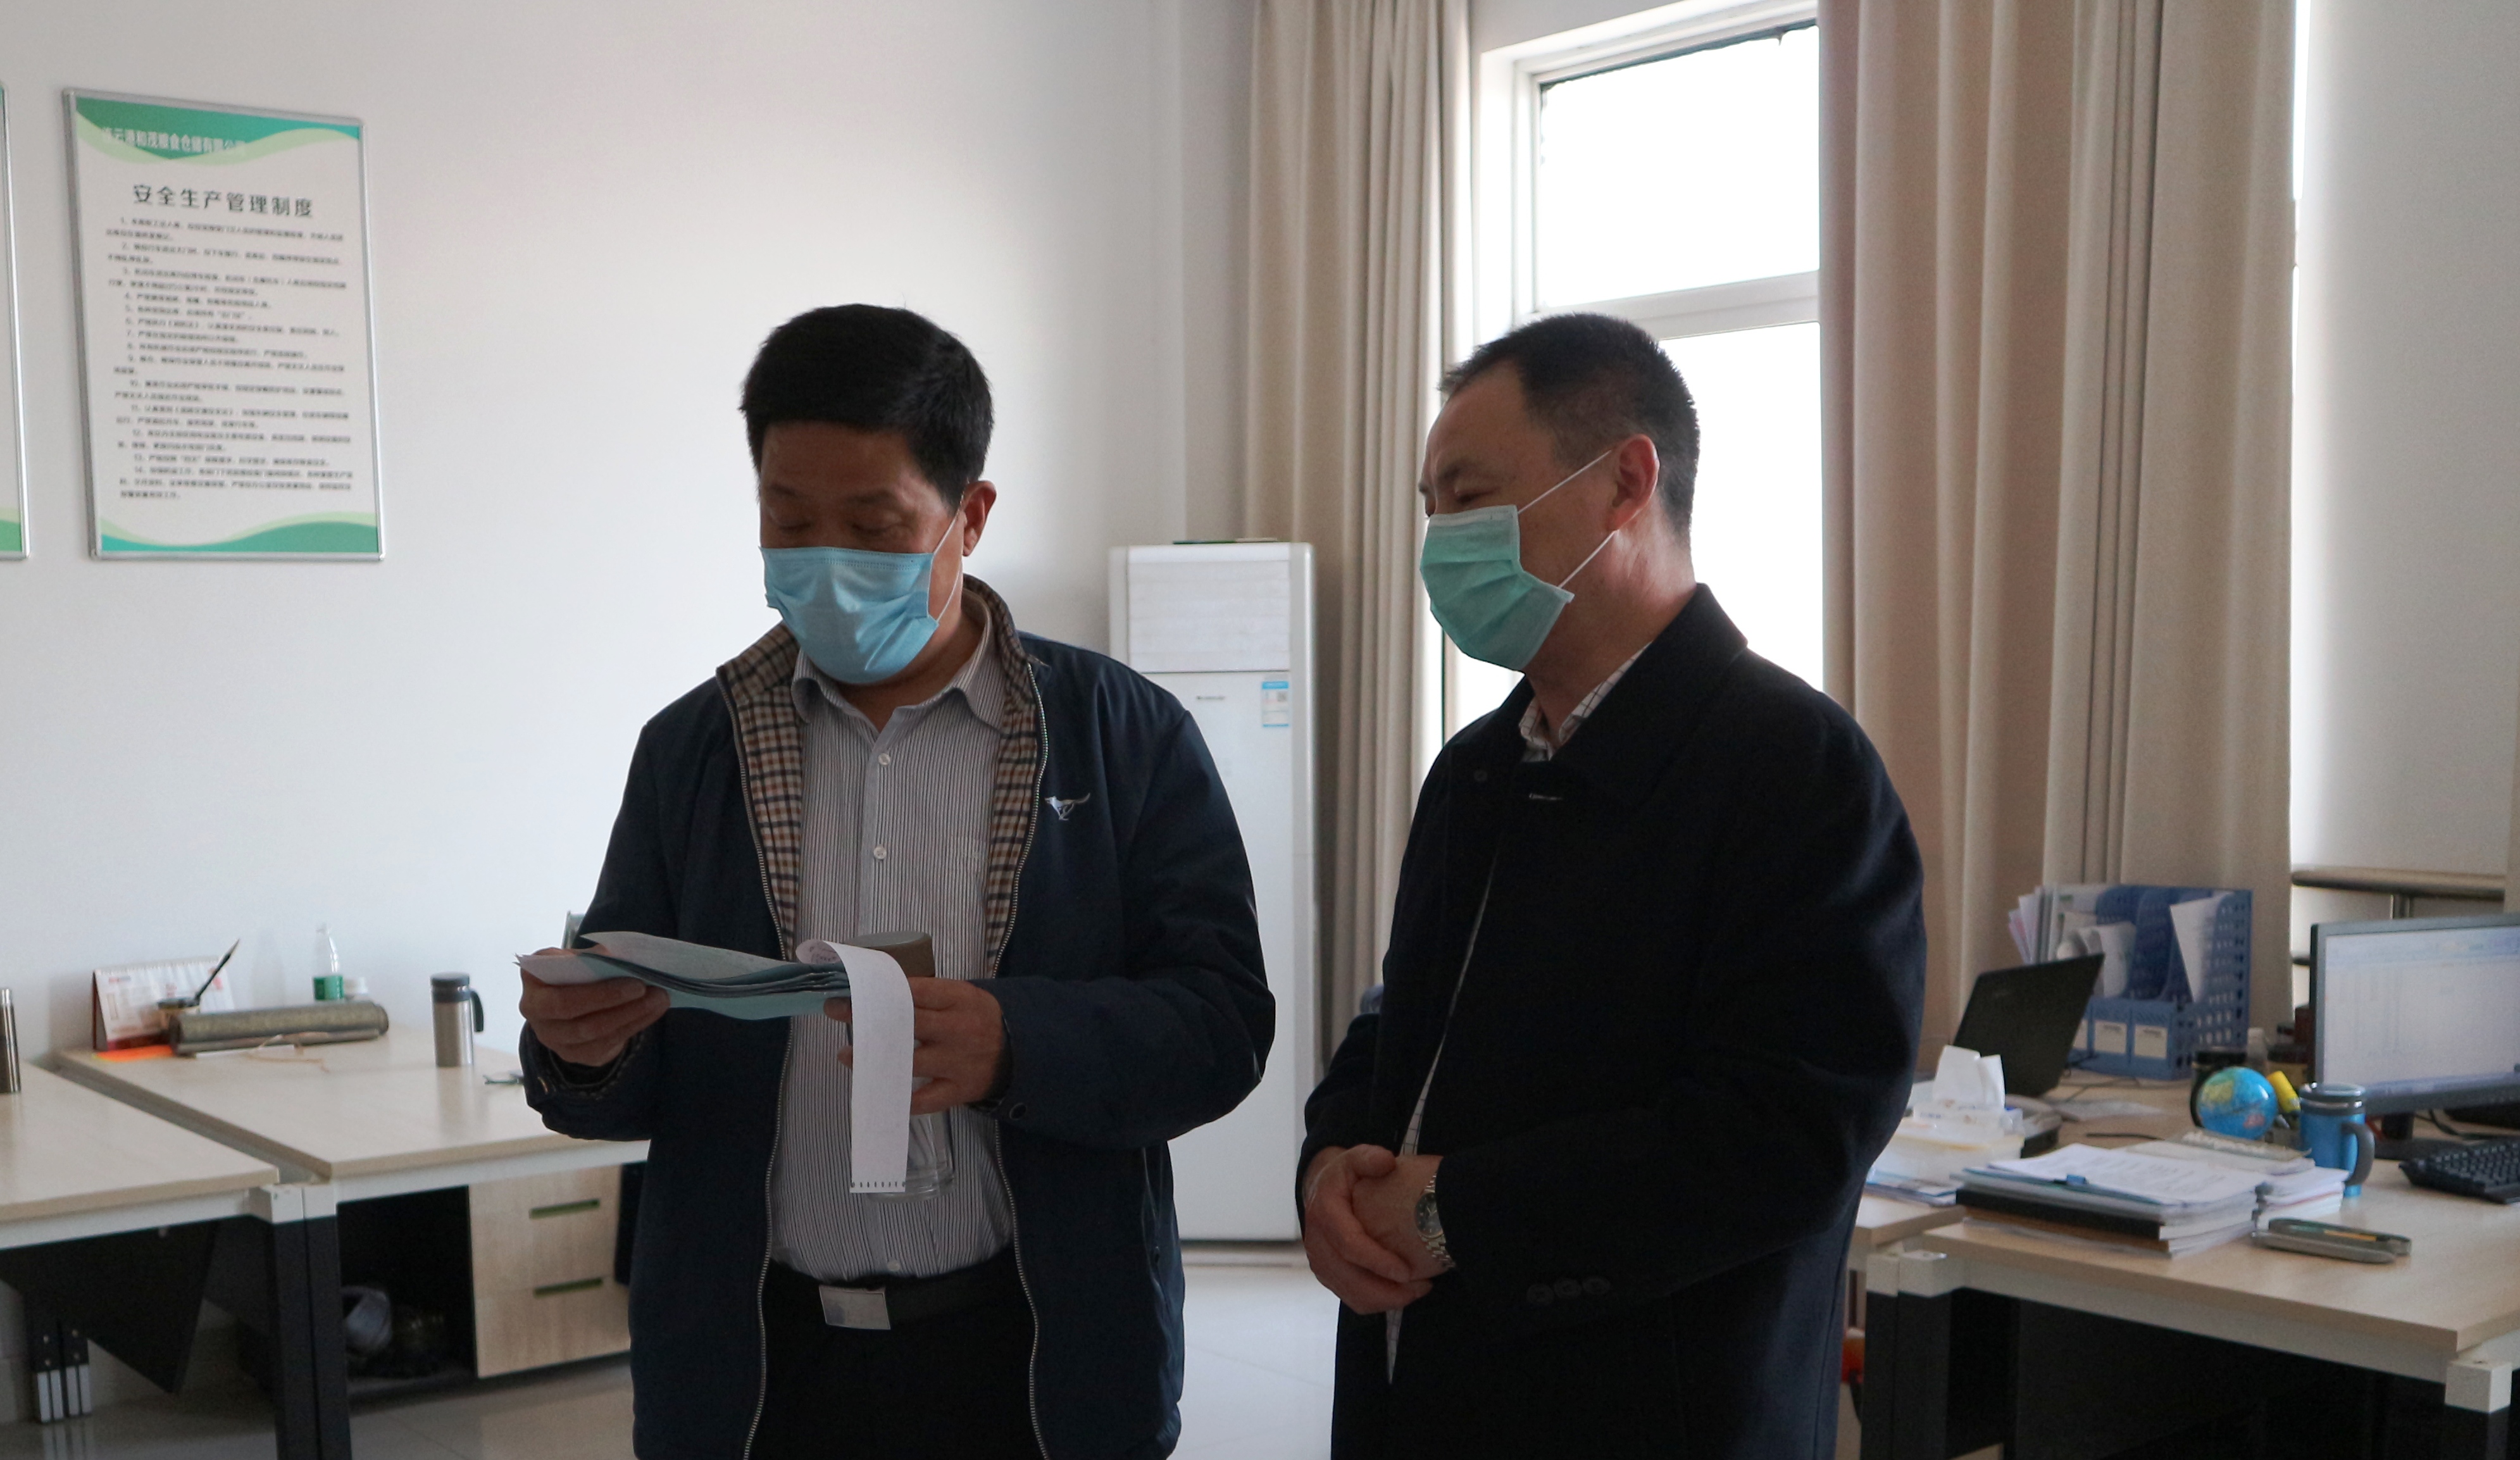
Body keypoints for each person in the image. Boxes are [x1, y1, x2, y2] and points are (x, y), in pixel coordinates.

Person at [521, 304, 1272, 1460]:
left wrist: (1018, 1044)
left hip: (1036, 1350)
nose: (825, 559)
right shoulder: (693, 751)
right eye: (788, 519)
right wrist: (582, 1048)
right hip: (758, 1362)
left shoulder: (1121, 735)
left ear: (969, 516)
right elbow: (631, 1077)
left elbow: (1221, 1026)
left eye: (873, 526)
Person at [1298, 312, 1925, 1458]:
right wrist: (1330, 1169)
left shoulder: (1793, 765)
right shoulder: (1478, 767)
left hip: (1651, 1403)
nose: (1440, 540)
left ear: (1626, 483)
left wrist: (1454, 1212)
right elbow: (1408, 1020)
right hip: (1423, 1385)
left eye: (1470, 497)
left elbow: (1788, 1132)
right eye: (1430, 507)